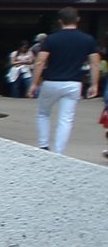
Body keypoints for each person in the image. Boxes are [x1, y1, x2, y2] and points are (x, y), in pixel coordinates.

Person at [30, 8, 99, 155]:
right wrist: (94, 84)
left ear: (60, 21)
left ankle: (43, 145)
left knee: (43, 113)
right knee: (66, 119)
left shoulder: (51, 39)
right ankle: (59, 152)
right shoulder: (88, 39)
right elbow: (94, 64)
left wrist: (34, 83)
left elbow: (40, 62)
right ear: (78, 20)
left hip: (51, 81)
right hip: (74, 83)